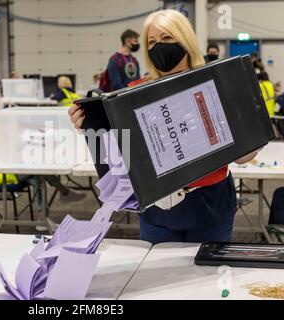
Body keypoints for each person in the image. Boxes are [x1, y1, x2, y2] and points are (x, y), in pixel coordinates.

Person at [69, 9, 259, 244]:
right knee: (159, 275)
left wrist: (248, 124)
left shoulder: (215, 82)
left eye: (167, 38)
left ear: (185, 39)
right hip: (158, 208)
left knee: (208, 276)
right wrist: (89, 125)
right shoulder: (133, 93)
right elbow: (117, 152)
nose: (159, 46)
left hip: (211, 202)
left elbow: (244, 156)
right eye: (152, 41)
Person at [0, 96, 86, 230]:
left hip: (6, 167)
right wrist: (13, 155)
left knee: (37, 176)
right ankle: (62, 195)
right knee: (39, 172)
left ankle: (44, 217)